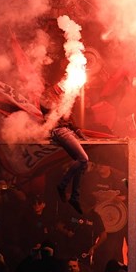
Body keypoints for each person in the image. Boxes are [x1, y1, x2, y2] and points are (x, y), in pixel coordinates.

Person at [42, 86, 88, 215]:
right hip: (59, 131)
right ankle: (62, 185)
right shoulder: (47, 98)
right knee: (83, 158)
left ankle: (75, 197)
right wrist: (63, 101)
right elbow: (51, 112)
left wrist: (79, 132)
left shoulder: (62, 101)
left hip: (67, 131)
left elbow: (70, 120)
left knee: (83, 164)